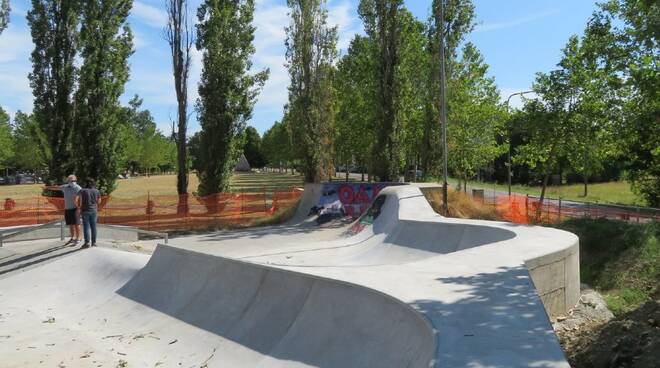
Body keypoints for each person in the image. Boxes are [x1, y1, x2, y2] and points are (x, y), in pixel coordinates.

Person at [78, 178, 101, 249]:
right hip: (94, 210)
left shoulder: (82, 190)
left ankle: (87, 243)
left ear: (86, 183)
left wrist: (79, 207)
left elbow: (76, 199)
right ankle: (94, 242)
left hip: (85, 210)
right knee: (94, 226)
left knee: (86, 227)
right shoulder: (96, 191)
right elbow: (99, 201)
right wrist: (94, 205)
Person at [60, 175, 81, 245]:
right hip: (67, 209)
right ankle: (72, 238)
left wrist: (79, 208)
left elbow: (82, 198)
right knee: (71, 224)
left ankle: (78, 238)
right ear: (68, 181)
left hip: (75, 209)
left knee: (77, 224)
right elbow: (57, 187)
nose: (73, 182)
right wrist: (46, 187)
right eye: (71, 181)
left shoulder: (78, 188)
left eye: (74, 181)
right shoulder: (65, 187)